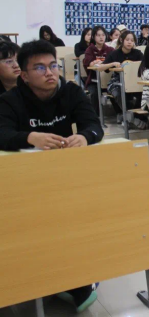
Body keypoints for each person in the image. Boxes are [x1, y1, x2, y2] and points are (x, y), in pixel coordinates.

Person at [0, 40, 102, 311]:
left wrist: (84, 136)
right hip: (23, 183)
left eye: (53, 65)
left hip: (66, 179)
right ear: (24, 75)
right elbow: (2, 134)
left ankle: (73, 276)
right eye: (40, 67)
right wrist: (30, 137)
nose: (49, 72)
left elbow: (94, 125)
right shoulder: (10, 101)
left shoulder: (71, 91)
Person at [102, 31, 145, 127]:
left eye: (132, 40)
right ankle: (130, 117)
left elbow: (145, 65)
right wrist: (112, 64)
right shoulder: (115, 53)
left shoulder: (137, 53)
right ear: (121, 40)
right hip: (117, 81)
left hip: (134, 80)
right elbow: (102, 67)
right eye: (127, 40)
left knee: (144, 91)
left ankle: (135, 116)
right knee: (118, 92)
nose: (130, 42)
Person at [83, 26, 114, 115]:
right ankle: (95, 116)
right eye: (98, 35)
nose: (101, 37)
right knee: (94, 93)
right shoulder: (90, 49)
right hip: (93, 80)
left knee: (116, 90)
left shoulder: (110, 49)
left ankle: (119, 114)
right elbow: (89, 64)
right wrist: (93, 63)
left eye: (103, 35)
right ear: (93, 37)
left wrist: (101, 63)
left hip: (109, 80)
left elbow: (115, 60)